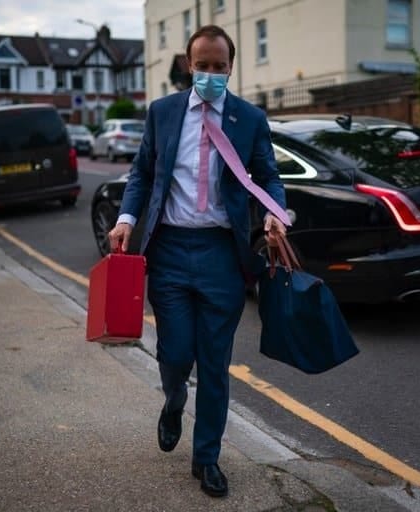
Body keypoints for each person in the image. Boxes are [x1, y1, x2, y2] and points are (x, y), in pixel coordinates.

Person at [108, 24, 287, 498]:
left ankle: (206, 457)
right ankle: (172, 399)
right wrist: (127, 218)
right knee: (175, 352)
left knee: (214, 362)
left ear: (230, 67)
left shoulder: (248, 119)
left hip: (221, 256)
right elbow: (142, 173)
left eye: (219, 66)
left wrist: (274, 215)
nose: (210, 73)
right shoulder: (163, 113)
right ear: (189, 66)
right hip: (167, 251)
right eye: (202, 65)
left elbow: (268, 176)